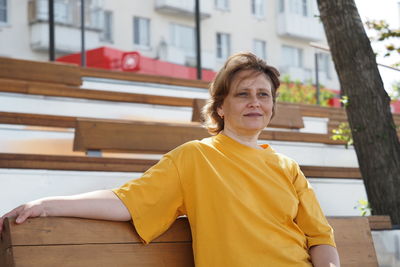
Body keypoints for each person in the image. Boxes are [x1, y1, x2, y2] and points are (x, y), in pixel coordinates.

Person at [0, 52, 340, 266]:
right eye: (243, 94)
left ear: (271, 107)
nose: (255, 102)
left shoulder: (288, 168)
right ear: (221, 107)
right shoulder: (196, 157)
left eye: (263, 95)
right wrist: (47, 204)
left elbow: (321, 238)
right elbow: (127, 201)